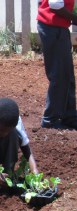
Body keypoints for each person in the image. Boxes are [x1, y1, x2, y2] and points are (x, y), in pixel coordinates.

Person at [37, 0, 77, 129]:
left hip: (56, 28)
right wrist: (75, 18)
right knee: (59, 75)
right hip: (53, 28)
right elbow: (55, 5)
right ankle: (50, 119)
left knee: (67, 75)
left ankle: (69, 116)